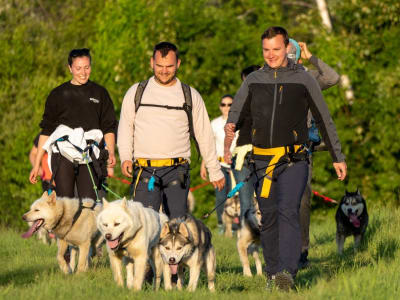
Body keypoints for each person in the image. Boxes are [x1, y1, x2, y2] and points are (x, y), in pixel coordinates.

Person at [224, 26, 347, 290]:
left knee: (289, 211)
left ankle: (286, 274)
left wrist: (338, 155)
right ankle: (272, 271)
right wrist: (229, 133)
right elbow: (236, 111)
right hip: (262, 162)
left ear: (287, 48)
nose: (271, 55)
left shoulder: (304, 79)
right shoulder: (254, 79)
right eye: (266, 50)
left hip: (294, 160)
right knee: (268, 217)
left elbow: (325, 118)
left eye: (276, 49)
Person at [118, 41, 224, 219]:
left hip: (177, 170)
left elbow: (204, 134)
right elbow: (125, 128)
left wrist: (214, 170)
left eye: (169, 66)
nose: (164, 70)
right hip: (145, 171)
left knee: (176, 227)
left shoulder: (190, 95)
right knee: (145, 226)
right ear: (152, 63)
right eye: (159, 66)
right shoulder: (136, 92)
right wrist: (126, 157)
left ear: (178, 64)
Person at [29, 48, 117, 200]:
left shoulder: (100, 93)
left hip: (90, 154)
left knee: (89, 203)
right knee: (65, 203)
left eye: (87, 67)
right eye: (78, 68)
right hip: (63, 154)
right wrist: (37, 165)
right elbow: (47, 130)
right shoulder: (57, 94)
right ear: (70, 68)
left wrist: (110, 152)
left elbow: (108, 127)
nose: (83, 72)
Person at [287, 39, 341, 269]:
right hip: (271, 150)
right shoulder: (266, 76)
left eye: (291, 54)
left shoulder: (309, 77)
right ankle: (278, 252)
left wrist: (310, 57)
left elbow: (333, 78)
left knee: (302, 200)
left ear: (297, 57)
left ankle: (301, 252)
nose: (285, 57)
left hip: (303, 150)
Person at [200, 94, 237, 232]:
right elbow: (209, 146)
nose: (226, 107)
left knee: (235, 197)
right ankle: (222, 224)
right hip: (219, 165)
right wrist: (204, 165)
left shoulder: (238, 122)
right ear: (220, 106)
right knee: (221, 196)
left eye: (230, 104)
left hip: (236, 165)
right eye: (223, 104)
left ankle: (234, 226)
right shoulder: (214, 124)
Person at [231, 65, 260, 222]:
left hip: (266, 154)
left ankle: (266, 240)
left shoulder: (273, 98)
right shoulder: (241, 100)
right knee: (246, 203)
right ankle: (246, 243)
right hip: (243, 154)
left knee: (265, 201)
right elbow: (233, 124)